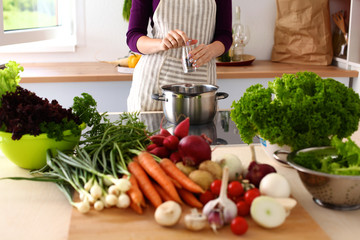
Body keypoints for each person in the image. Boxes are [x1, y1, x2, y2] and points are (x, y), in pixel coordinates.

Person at [126, 0, 232, 112]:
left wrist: (211, 50)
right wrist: (161, 43)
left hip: (201, 80)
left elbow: (225, 35)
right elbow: (133, 36)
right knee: (150, 129)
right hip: (154, 82)